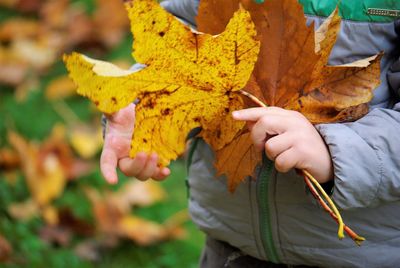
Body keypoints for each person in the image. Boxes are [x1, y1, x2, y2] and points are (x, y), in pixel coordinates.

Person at [100, 0, 400, 267]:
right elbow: (182, 45)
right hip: (232, 244)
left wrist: (338, 154)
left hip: (363, 252)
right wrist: (146, 111)